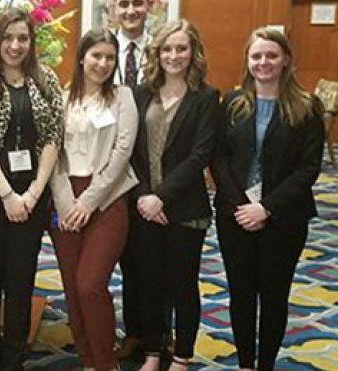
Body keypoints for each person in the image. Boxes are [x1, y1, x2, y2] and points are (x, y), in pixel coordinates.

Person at [210, 28, 324, 371]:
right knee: (241, 295)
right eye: (256, 56)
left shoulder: (306, 106)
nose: (264, 62)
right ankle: (246, 363)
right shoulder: (232, 103)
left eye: (271, 55)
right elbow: (219, 158)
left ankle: (266, 365)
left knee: (274, 296)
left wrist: (266, 208)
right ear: (247, 60)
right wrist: (241, 205)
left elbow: (308, 169)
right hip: (235, 216)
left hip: (284, 219)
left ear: (286, 59)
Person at [0, 8, 64, 371]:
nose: (15, 45)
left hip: (32, 194)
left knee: (21, 278)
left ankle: (13, 356)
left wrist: (33, 194)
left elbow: (54, 136)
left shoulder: (46, 79)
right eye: (8, 37)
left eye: (22, 38)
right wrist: (7, 195)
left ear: (31, 41)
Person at [129, 20, 219, 371]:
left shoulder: (206, 98)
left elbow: (200, 155)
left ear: (193, 52)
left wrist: (160, 197)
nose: (174, 55)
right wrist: (143, 197)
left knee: (183, 285)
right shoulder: (140, 93)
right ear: (157, 53)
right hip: (144, 206)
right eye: (167, 48)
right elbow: (130, 153)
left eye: (181, 48)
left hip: (184, 208)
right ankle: (153, 351)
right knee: (149, 281)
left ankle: (181, 355)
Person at [48, 29, 138, 371]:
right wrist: (65, 202)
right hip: (64, 197)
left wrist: (88, 201)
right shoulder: (61, 97)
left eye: (109, 57)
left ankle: (105, 362)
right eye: (96, 55)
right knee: (72, 287)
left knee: (90, 284)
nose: (102, 63)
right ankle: (86, 359)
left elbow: (122, 152)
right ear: (82, 57)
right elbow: (52, 153)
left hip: (107, 198)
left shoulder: (122, 97)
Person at [106, 0, 152, 358]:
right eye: (123, 3)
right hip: (108, 171)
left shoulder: (163, 49)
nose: (131, 10)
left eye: (138, 2)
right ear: (112, 8)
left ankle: (153, 333)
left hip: (151, 172)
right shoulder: (102, 50)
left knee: (150, 259)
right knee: (118, 257)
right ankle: (132, 331)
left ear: (149, 5)